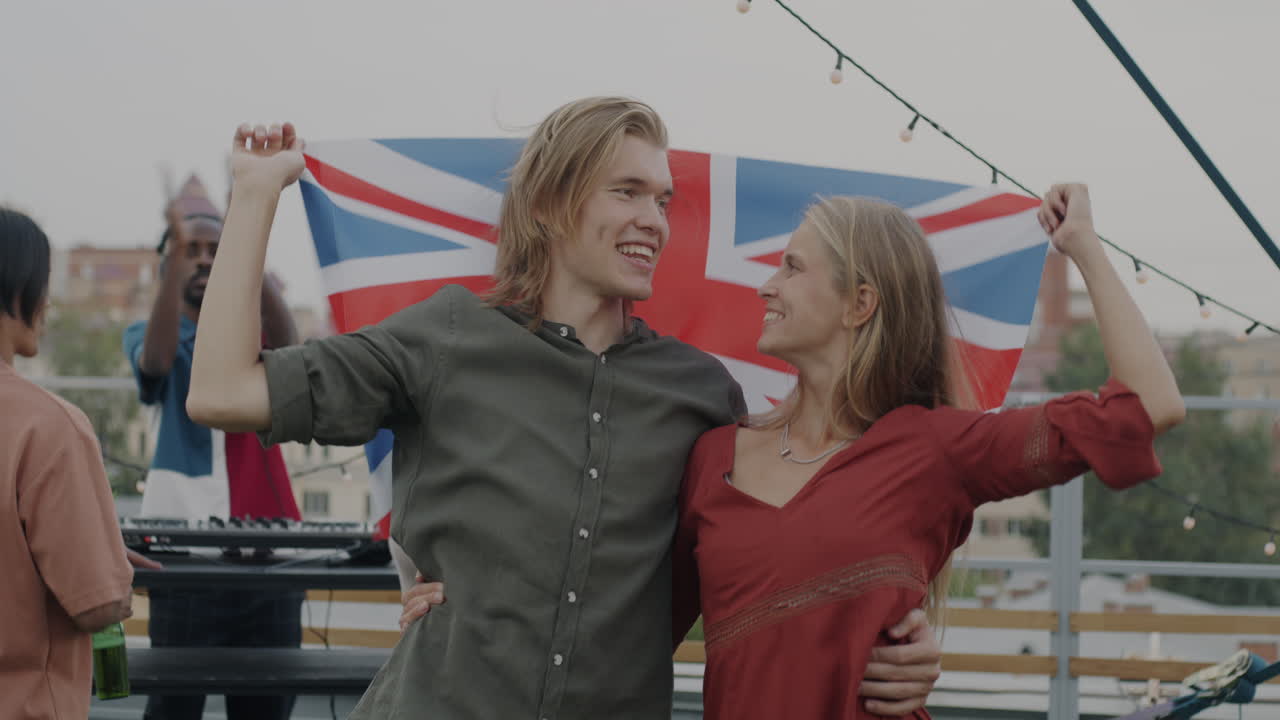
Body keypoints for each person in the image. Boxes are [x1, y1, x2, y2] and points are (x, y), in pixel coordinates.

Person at [188, 98, 941, 719]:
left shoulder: (703, 394)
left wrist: (901, 637)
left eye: (663, 200)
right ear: (550, 203)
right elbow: (221, 392)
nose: (656, 220)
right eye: (627, 192)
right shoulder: (447, 335)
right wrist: (255, 193)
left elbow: (793, 547)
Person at [667, 186, 1185, 718]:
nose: (766, 287)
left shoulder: (941, 449)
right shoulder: (712, 456)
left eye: (792, 269)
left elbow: (1149, 406)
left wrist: (1083, 247)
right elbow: (640, 627)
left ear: (859, 304)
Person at [122, 178, 305, 720]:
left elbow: (292, 348)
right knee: (175, 707)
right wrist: (175, 261)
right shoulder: (149, 332)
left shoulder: (256, 335)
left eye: (214, 252)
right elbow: (154, 365)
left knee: (266, 709)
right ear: (167, 266)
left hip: (268, 560)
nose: (204, 261)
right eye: (190, 252)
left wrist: (246, 244)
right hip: (185, 559)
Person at [0, 207, 137, 719]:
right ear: (19, 289)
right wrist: (105, 561)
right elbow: (98, 605)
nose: (49, 302)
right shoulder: (49, 424)